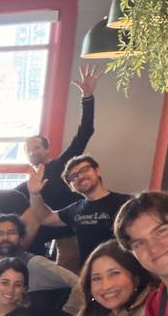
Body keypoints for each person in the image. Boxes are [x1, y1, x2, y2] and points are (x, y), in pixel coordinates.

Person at [10, 65, 101, 260]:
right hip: (43, 229)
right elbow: (7, 197)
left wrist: (88, 97)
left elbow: (85, 132)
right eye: (29, 150)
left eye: (37, 147)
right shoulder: (31, 182)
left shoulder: (61, 164)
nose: (33, 152)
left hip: (68, 225)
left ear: (47, 149)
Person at [25, 154, 131, 268]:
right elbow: (45, 218)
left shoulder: (126, 203)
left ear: (97, 171)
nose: (80, 176)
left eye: (85, 170)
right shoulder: (75, 210)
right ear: (71, 187)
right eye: (73, 177)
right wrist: (34, 194)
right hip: (90, 276)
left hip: (125, 271)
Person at [0, 213, 80, 306]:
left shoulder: (34, 264)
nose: (5, 238)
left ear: (21, 238)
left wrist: (67, 315)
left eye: (11, 233)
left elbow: (79, 284)